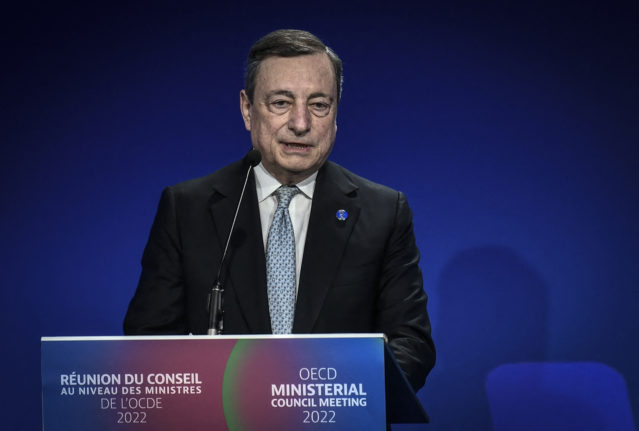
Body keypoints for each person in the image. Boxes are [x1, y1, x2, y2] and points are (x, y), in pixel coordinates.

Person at [123, 29, 435, 391]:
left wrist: (327, 397)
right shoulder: (187, 209)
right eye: (281, 103)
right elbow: (150, 340)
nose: (301, 124)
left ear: (335, 114)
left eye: (319, 105)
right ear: (247, 109)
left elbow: (412, 345)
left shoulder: (383, 212)